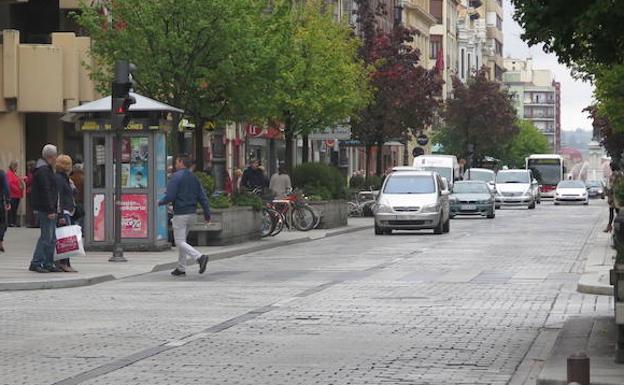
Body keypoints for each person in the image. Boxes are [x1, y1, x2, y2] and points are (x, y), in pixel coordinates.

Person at [159, 154, 210, 276]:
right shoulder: (194, 178)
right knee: (183, 241)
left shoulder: (176, 177)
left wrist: (160, 202)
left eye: (176, 162)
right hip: (192, 213)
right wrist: (207, 214)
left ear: (181, 162)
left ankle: (200, 257)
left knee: (179, 242)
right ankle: (181, 268)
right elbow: (203, 198)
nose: (175, 165)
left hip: (181, 213)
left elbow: (170, 196)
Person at [29, 144, 62, 273]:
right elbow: (46, 191)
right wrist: (50, 209)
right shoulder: (43, 170)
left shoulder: (45, 169)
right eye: (55, 155)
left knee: (51, 237)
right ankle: (36, 262)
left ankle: (48, 262)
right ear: (51, 156)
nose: (56, 158)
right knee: (46, 237)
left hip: (49, 207)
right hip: (46, 209)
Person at [55, 155, 78, 272]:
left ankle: (64, 263)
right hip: (63, 212)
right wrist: (60, 215)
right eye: (69, 164)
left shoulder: (66, 178)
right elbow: (58, 197)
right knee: (65, 239)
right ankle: (64, 263)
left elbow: (73, 192)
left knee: (66, 238)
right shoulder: (59, 178)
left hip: (68, 211)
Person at [604, 161, 623, 233]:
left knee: (613, 212)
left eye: (611, 167)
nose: (610, 168)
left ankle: (611, 227)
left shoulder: (614, 175)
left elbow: (612, 186)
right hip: (618, 196)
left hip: (614, 197)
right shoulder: (621, 174)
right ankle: (611, 226)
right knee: (618, 212)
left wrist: (606, 190)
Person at [6, 161, 24, 227]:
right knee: (12, 209)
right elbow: (10, 184)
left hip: (17, 195)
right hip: (12, 194)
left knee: (15, 209)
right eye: (15, 166)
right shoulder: (9, 174)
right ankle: (11, 222)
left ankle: (13, 222)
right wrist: (18, 189)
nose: (16, 167)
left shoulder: (14, 174)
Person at [24, 160, 37, 228]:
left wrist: (26, 180)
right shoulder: (36, 172)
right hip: (34, 192)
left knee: (31, 208)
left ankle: (32, 222)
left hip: (31, 192)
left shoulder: (31, 173)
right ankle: (33, 222)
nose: (28, 167)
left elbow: (30, 182)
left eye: (29, 166)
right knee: (32, 208)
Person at [0, 167, 10, 252]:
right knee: (2, 222)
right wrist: (7, 201)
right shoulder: (1, 173)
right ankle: (0, 241)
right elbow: (6, 188)